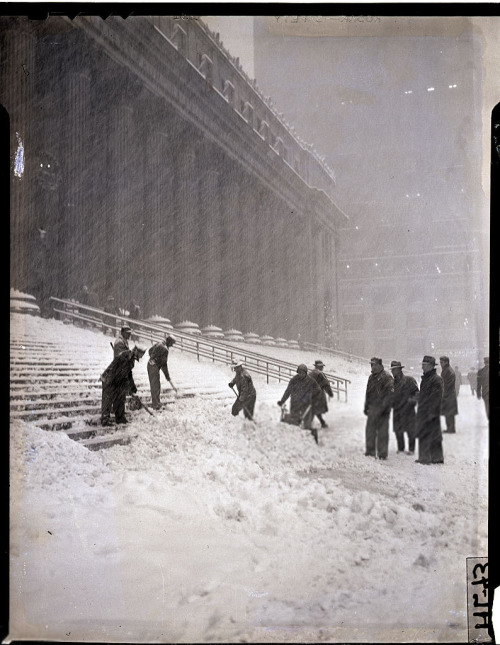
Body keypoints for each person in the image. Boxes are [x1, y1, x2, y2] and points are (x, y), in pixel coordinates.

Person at [100, 345, 146, 426]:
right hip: (110, 379)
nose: (141, 357)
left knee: (120, 399)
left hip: (117, 381)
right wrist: (128, 388)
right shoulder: (126, 356)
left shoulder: (131, 358)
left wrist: (133, 388)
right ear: (136, 351)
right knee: (108, 400)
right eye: (141, 354)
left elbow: (129, 374)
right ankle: (105, 420)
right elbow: (122, 373)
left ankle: (120, 418)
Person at [415, 355, 444, 464]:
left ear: (431, 366)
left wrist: (432, 412)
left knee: (431, 434)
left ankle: (431, 458)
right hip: (424, 411)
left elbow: (436, 398)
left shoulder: (436, 379)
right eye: (422, 365)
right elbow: (427, 395)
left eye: (424, 365)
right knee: (427, 433)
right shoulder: (426, 378)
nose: (422, 367)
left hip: (430, 412)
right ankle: (429, 457)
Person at [363, 357, 394, 460]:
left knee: (382, 432)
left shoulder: (387, 377)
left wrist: (384, 408)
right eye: (371, 364)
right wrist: (366, 406)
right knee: (370, 430)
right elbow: (368, 393)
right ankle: (370, 451)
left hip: (383, 409)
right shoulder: (371, 377)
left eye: (374, 364)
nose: (372, 367)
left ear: (380, 365)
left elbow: (389, 395)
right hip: (373, 408)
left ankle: (382, 453)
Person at [277, 364, 321, 433]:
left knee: (307, 423)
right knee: (294, 422)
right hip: (295, 403)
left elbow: (318, 389)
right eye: (299, 373)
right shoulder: (294, 380)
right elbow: (288, 391)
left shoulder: (310, 381)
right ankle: (294, 437)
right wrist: (282, 401)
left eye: (302, 373)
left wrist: (311, 395)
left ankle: (308, 436)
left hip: (306, 404)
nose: (301, 375)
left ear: (305, 373)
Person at [389, 361, 419, 455]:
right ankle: (401, 448)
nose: (392, 372)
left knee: (411, 431)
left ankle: (411, 449)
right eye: (392, 370)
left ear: (399, 369)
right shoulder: (392, 383)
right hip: (397, 410)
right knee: (398, 430)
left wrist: (411, 401)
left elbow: (417, 394)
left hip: (408, 410)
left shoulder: (409, 380)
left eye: (394, 370)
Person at [147, 334, 177, 410]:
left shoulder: (159, 343)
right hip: (154, 367)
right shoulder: (164, 349)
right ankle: (156, 405)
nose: (172, 345)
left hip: (150, 364)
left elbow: (150, 350)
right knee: (155, 386)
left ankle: (157, 403)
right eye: (172, 343)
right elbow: (164, 365)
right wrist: (168, 377)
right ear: (169, 341)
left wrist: (153, 359)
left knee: (156, 385)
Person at [309, 360, 333, 429]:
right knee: (315, 409)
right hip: (318, 395)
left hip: (310, 394)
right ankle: (319, 423)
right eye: (321, 366)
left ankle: (321, 422)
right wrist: (330, 393)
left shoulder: (310, 373)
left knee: (313, 409)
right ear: (317, 367)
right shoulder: (320, 374)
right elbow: (326, 384)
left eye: (322, 366)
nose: (322, 368)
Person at [440, 356, 458, 433]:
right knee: (448, 412)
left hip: (449, 395)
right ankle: (450, 428)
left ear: (446, 362)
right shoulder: (447, 370)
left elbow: (447, 385)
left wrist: (443, 392)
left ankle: (451, 429)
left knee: (449, 413)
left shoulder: (448, 371)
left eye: (442, 362)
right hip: (449, 394)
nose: (441, 364)